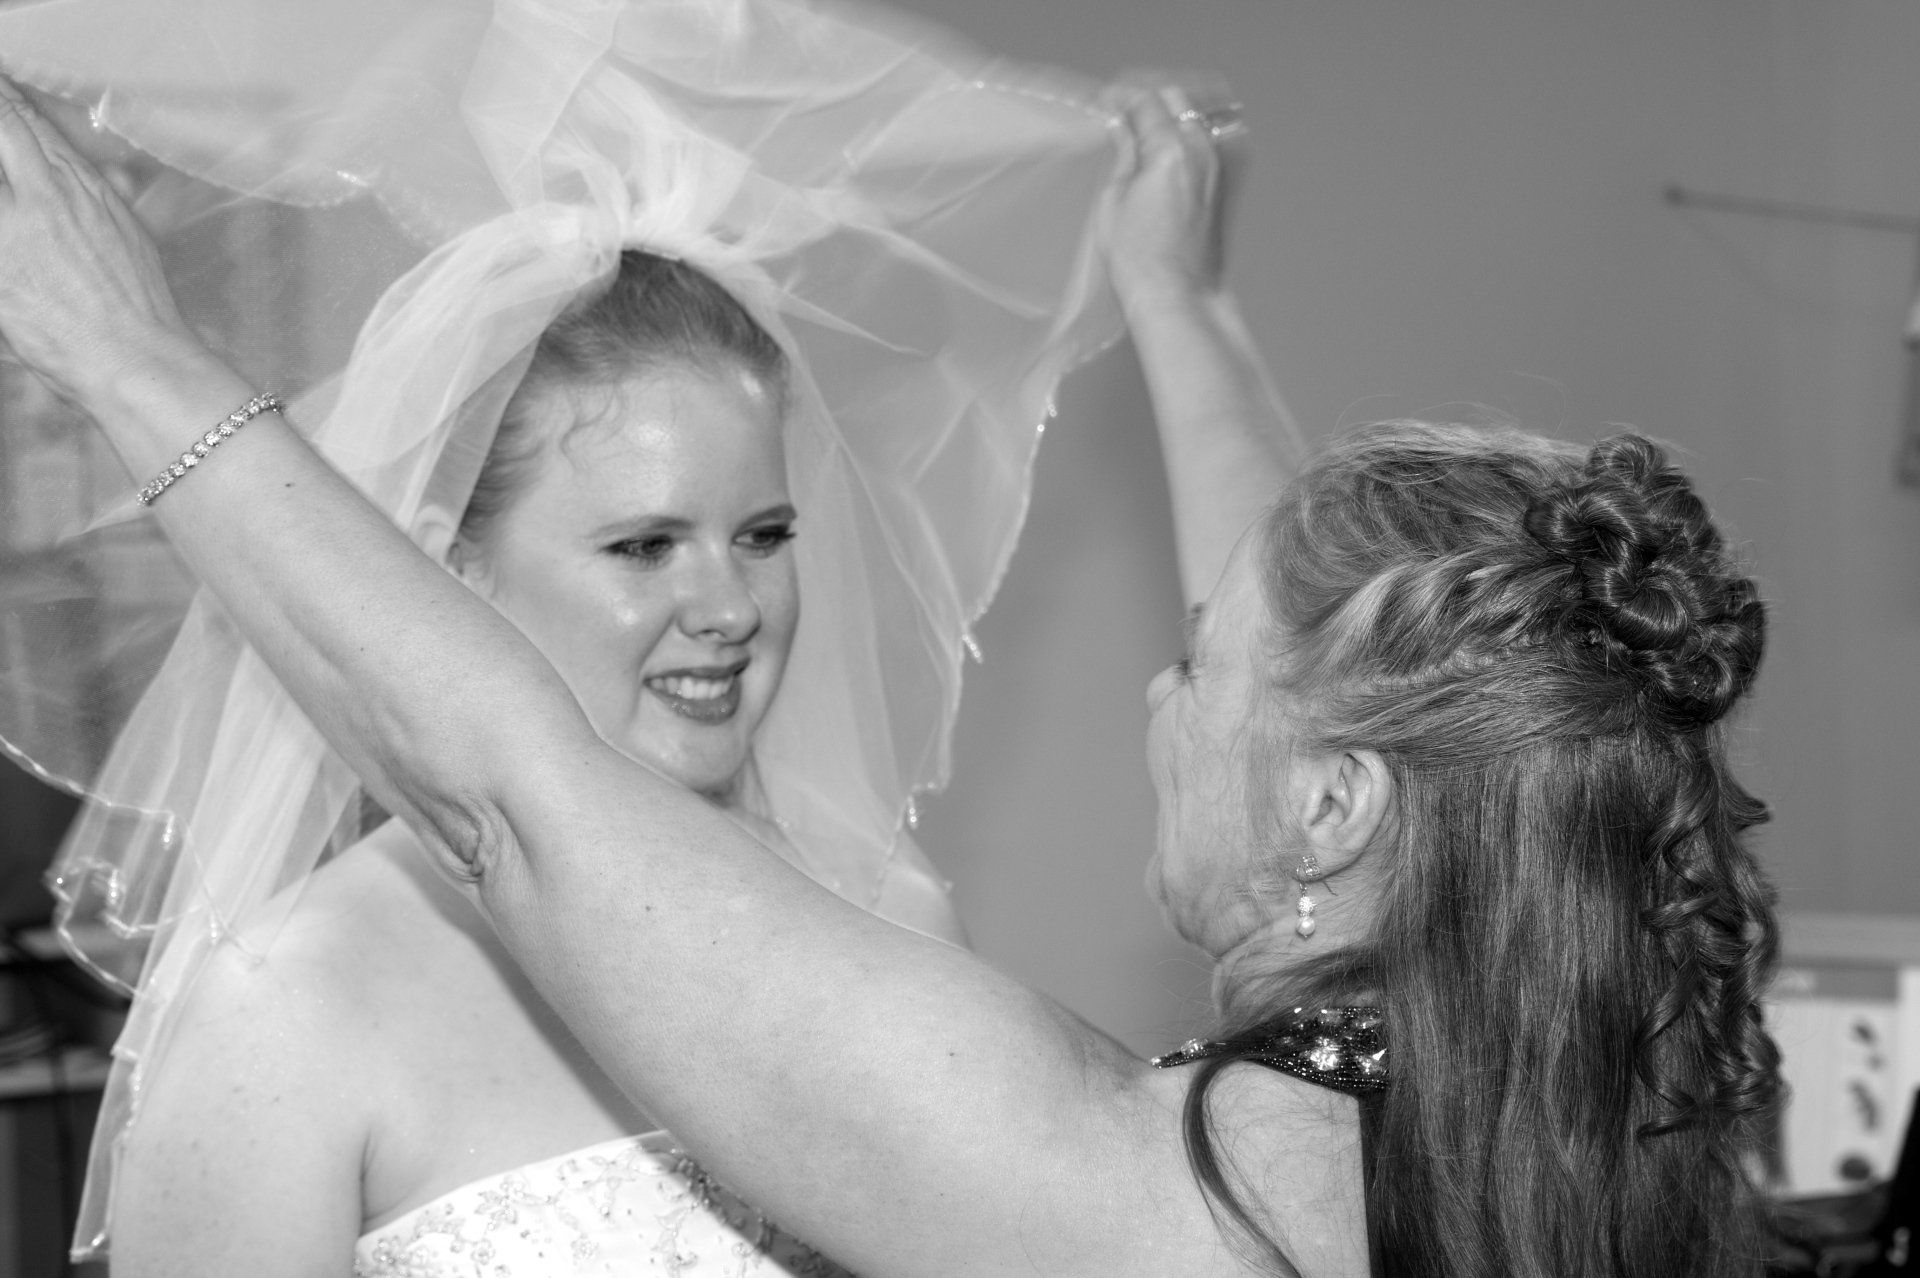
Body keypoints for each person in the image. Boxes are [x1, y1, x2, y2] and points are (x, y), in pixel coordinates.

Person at [0, 46, 1783, 1278]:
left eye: (1197, 661)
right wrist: (1178, 301)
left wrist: (123, 346)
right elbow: (1341, 649)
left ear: (1331, 807)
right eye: (642, 542)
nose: (1159, 697)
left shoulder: (1167, 1187)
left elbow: (517, 803)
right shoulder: (1543, 1103)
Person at [0, 0, 1128, 1269]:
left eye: (763, 535)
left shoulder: (886, 918)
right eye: (645, 546)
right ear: (453, 573)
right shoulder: (292, 1004)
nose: (732, 609)